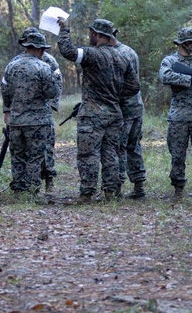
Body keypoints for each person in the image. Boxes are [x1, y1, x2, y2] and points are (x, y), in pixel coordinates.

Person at [57, 17, 140, 202]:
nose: (89, 36)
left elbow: (68, 52)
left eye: (90, 34)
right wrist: (115, 95)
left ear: (97, 35)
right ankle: (110, 193)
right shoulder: (123, 57)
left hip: (92, 114)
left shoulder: (92, 54)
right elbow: (134, 86)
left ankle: (87, 194)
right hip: (115, 114)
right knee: (111, 153)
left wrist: (64, 30)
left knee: (88, 154)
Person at [1, 29, 61, 198]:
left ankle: (18, 190)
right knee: (35, 156)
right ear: (39, 49)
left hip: (16, 120)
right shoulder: (44, 67)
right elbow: (52, 92)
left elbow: (5, 91)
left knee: (17, 155)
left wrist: (11, 109)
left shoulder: (11, 66)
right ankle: (32, 191)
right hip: (37, 121)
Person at [158, 26, 192, 202]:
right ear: (181, 43)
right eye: (189, 42)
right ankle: (178, 190)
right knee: (177, 155)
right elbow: (165, 77)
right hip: (179, 116)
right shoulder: (170, 61)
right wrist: (190, 79)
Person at [110, 30, 146, 199]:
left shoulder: (116, 54)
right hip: (136, 106)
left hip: (124, 108)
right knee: (134, 146)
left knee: (120, 147)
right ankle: (139, 186)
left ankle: (117, 188)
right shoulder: (129, 51)